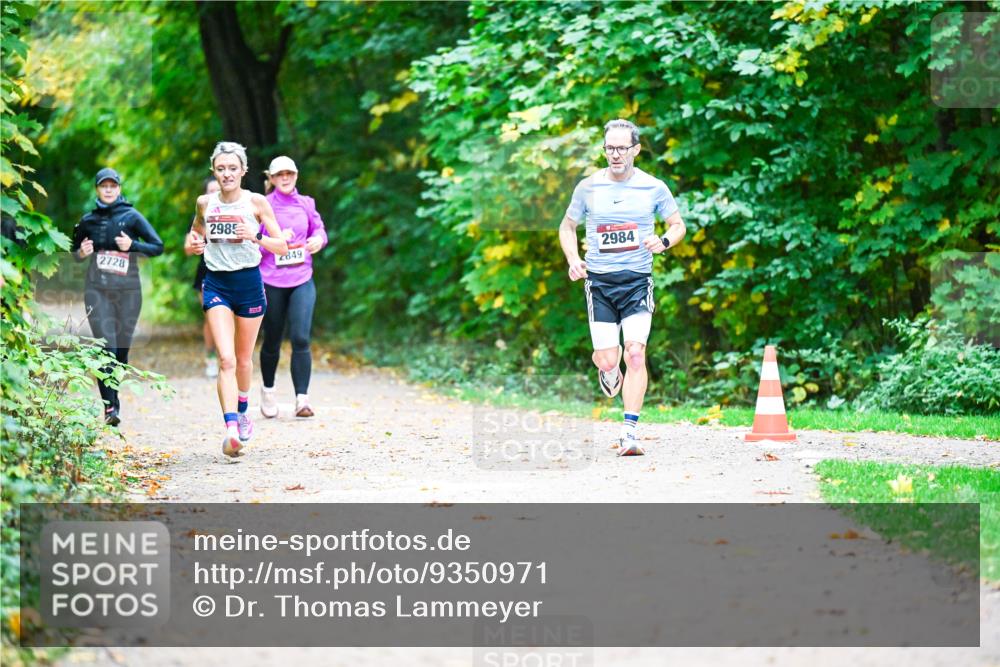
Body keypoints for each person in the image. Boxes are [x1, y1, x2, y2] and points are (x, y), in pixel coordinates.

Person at [558, 119, 686, 457]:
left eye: (621, 148)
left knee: (636, 352)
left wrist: (663, 241)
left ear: (636, 150)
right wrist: (573, 259)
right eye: (609, 148)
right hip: (599, 283)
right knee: (606, 358)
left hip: (636, 282)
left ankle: (629, 432)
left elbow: (677, 225)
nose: (615, 154)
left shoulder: (653, 187)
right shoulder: (588, 188)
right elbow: (567, 226)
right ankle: (607, 369)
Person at [184, 142, 287, 457]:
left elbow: (281, 246)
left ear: (243, 171)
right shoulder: (205, 202)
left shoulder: (256, 203)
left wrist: (253, 236)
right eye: (221, 168)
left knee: (243, 360)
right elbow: (194, 235)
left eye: (232, 168)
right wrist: (193, 244)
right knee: (225, 359)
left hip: (249, 284)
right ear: (213, 170)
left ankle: (243, 410)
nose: (226, 174)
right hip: (216, 283)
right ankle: (230, 430)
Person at [71, 167, 164, 426]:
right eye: (104, 186)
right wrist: (81, 252)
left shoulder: (132, 217)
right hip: (97, 291)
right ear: (98, 189)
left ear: (119, 189)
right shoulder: (88, 220)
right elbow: (74, 254)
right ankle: (110, 407)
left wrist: (132, 246)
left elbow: (158, 246)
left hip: (129, 293)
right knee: (106, 347)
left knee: (120, 353)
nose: (109, 189)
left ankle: (113, 396)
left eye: (113, 185)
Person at [258, 156, 328, 418]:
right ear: (272, 178)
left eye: (290, 173)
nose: (285, 178)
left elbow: (320, 230)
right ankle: (268, 391)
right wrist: (275, 240)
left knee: (300, 337)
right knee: (273, 339)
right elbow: (254, 239)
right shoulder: (264, 205)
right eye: (280, 174)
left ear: (296, 176)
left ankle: (302, 399)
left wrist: (317, 241)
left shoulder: (306, 203)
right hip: (271, 280)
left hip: (302, 278)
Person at [192, 177, 221, 378]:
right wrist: (196, 244)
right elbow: (189, 244)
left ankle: (227, 359)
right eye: (210, 191)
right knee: (212, 318)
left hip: (233, 272)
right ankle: (211, 358)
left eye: (216, 190)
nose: (213, 194)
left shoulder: (237, 210)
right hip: (207, 272)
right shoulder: (201, 214)